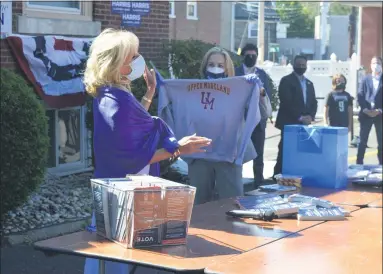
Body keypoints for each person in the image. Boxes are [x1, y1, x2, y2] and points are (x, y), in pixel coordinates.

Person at [82, 28, 211, 274]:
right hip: (123, 198)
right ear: (117, 64)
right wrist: (180, 148)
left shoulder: (113, 95)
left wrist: (148, 95)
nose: (138, 59)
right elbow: (132, 156)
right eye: (133, 56)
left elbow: (132, 131)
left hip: (121, 193)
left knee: (116, 258)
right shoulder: (115, 102)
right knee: (118, 260)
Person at [273, 55, 318, 177]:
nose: (301, 67)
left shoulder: (309, 83)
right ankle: (277, 175)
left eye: (303, 65)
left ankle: (297, 176)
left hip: (304, 124)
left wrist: (310, 117)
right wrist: (299, 117)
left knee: (301, 151)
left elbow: (314, 102)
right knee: (285, 150)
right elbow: (286, 102)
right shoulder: (286, 81)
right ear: (294, 65)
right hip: (289, 122)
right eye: (299, 65)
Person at [235, 43, 272, 186]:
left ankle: (258, 183)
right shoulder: (236, 72)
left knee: (259, 154)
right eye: (248, 56)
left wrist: (261, 90)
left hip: (257, 120)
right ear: (243, 57)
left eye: (253, 56)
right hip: (239, 119)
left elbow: (267, 95)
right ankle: (237, 182)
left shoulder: (261, 74)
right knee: (238, 153)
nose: (251, 58)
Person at [356, 56, 382, 165]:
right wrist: (365, 109)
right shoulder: (365, 79)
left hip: (380, 115)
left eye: (378, 63)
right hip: (366, 114)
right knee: (362, 141)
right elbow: (360, 95)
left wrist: (380, 110)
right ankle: (359, 163)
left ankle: (381, 164)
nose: (375, 65)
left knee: (381, 142)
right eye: (373, 63)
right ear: (370, 65)